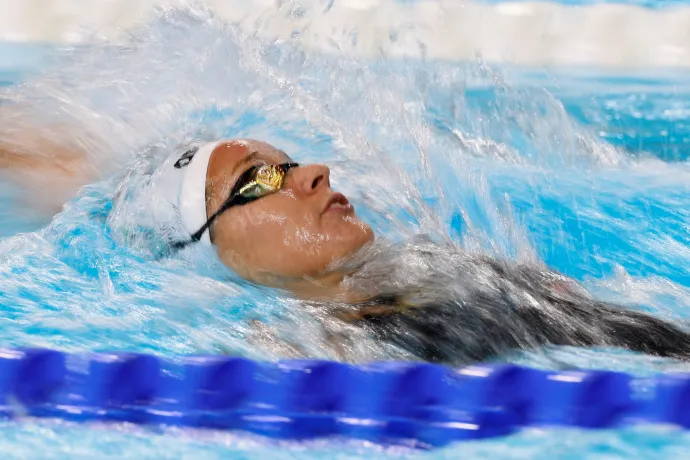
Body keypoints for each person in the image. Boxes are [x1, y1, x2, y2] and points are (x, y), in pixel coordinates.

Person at [4, 136, 690, 364]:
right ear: (210, 251)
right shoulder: (324, 349)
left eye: (291, 162)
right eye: (260, 181)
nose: (314, 173)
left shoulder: (424, 262)